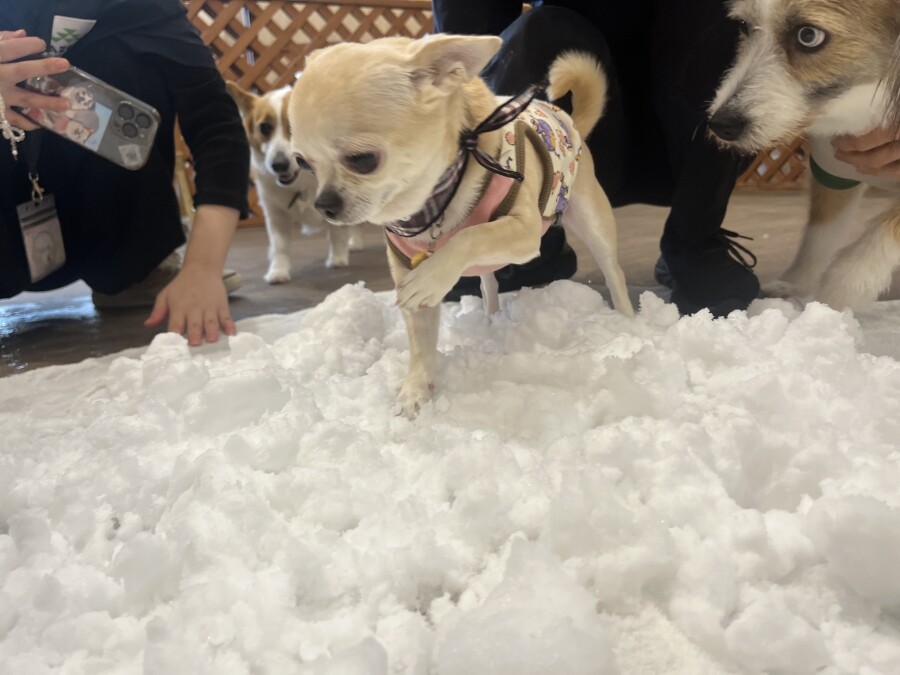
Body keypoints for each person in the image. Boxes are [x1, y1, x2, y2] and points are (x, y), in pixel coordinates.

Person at [434, 0, 761, 316]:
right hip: (574, 132)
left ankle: (694, 239)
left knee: (726, 19)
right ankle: (532, 240)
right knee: (542, 31)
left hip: (689, 137)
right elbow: (469, 33)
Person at [0, 0, 250, 346]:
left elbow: (214, 121)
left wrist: (203, 266)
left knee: (124, 60)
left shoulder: (150, 9)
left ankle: (140, 267)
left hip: (123, 232)